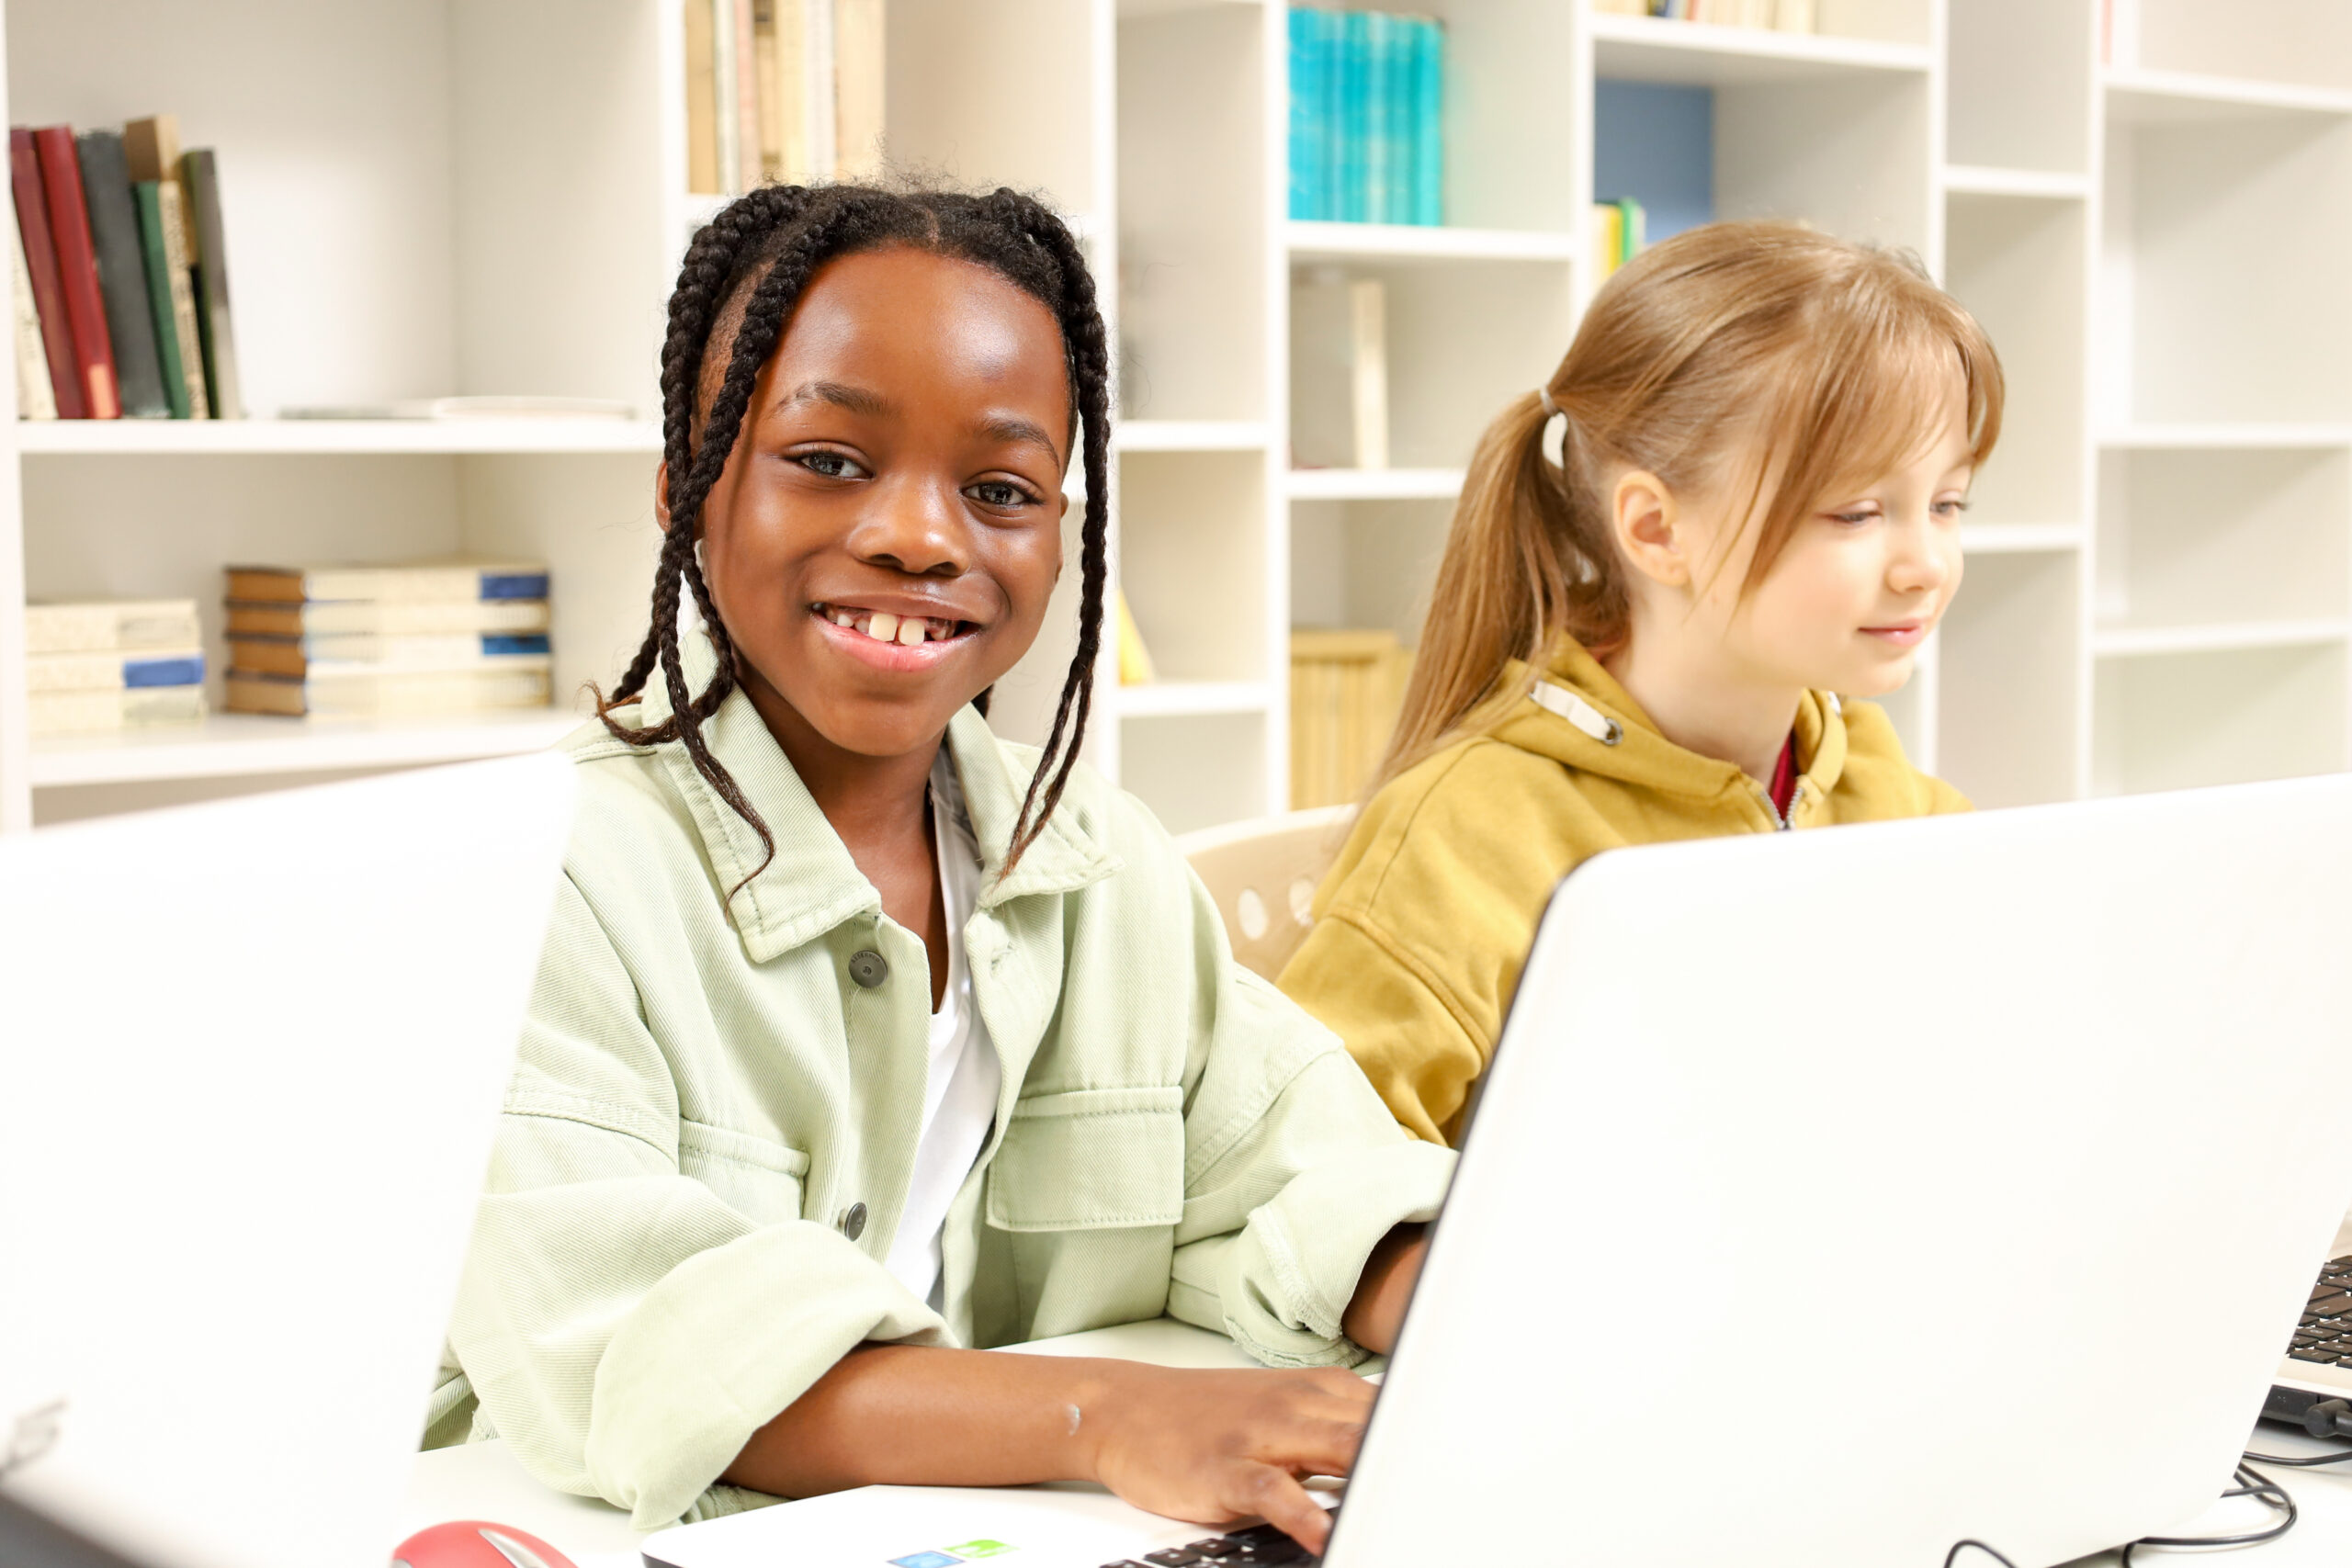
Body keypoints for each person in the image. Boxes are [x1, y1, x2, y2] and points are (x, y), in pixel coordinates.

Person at [430, 185, 1451, 1552]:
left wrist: (1457, 1295)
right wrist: (1099, 1416)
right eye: (832, 459)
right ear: (686, 488)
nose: (921, 534)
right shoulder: (542, 879)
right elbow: (643, 1350)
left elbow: (1290, 1175)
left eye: (1000, 488)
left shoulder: (1095, 864)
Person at [1279, 220, 2004, 1147]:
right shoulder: (1466, 836)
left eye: (1946, 504)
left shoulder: (1870, 777)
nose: (1925, 565)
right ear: (1658, 531)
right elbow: (1307, 1183)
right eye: (1857, 511)